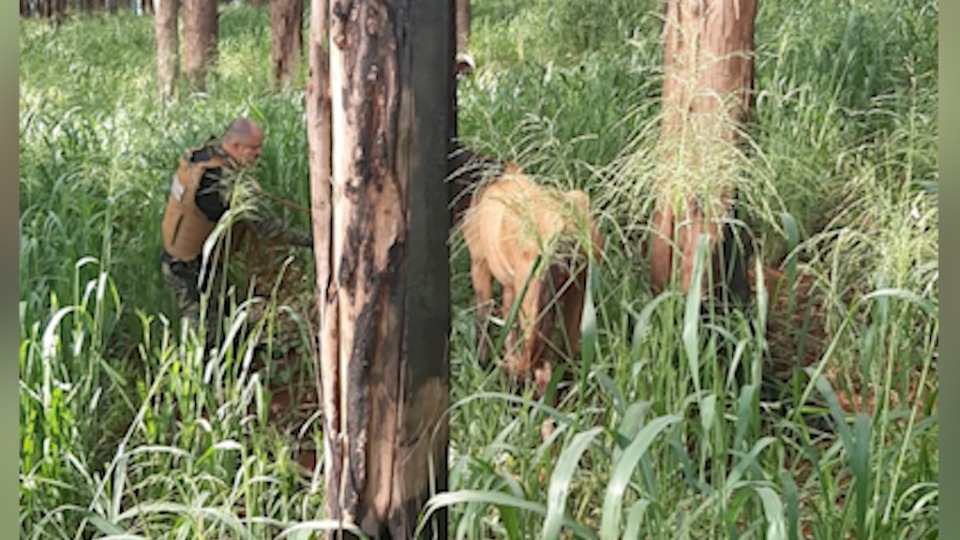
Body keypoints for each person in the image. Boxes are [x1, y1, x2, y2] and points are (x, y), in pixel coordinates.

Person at [160, 117, 312, 343]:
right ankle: (207, 373)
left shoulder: (203, 157)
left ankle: (239, 354)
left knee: (226, 316)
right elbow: (269, 229)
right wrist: (312, 241)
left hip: (192, 260)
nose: (259, 154)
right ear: (235, 146)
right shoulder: (222, 181)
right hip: (187, 269)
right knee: (206, 335)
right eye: (254, 149)